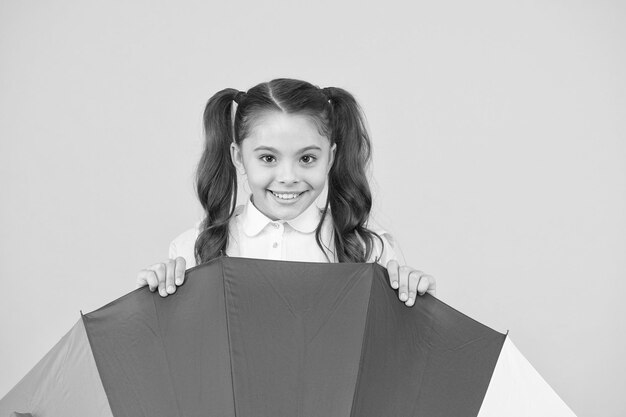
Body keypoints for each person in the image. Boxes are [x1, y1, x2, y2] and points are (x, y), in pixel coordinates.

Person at [136, 78, 435, 307]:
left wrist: (416, 304)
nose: (288, 177)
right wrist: (157, 300)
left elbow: (400, 355)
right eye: (268, 158)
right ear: (239, 157)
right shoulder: (193, 252)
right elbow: (179, 358)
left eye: (307, 158)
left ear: (330, 157)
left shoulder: (372, 252)